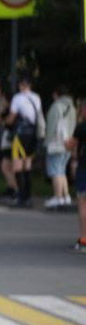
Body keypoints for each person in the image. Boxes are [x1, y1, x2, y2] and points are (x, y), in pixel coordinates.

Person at [3, 74, 43, 208]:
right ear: (30, 86)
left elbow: (12, 118)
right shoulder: (36, 97)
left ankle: (21, 197)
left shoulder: (17, 98)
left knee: (17, 166)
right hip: (33, 135)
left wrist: (5, 122)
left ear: (21, 85)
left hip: (21, 135)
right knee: (27, 165)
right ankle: (28, 197)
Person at [43, 86, 76, 211]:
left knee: (55, 170)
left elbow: (52, 126)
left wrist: (47, 141)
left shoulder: (56, 107)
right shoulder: (72, 107)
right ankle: (65, 196)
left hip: (56, 143)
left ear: (56, 94)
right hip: (68, 143)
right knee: (62, 170)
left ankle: (57, 196)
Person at [68, 101, 86, 252]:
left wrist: (65, 142)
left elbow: (70, 145)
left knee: (83, 204)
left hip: (84, 169)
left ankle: (84, 240)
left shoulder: (81, 127)